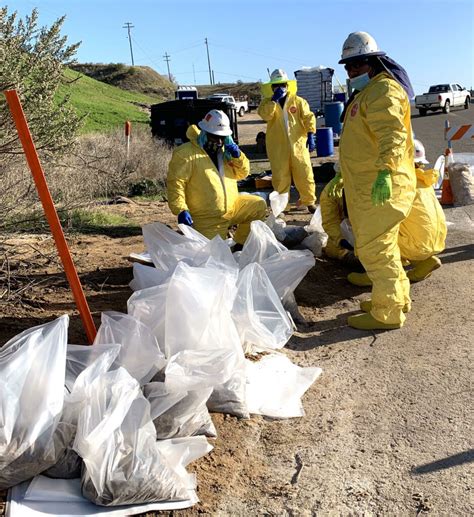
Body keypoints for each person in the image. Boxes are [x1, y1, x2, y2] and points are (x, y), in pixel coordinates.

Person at [327, 31, 417, 330]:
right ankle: (393, 298)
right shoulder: (369, 92)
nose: (352, 71)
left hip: (381, 186)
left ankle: (387, 313)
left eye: (358, 64)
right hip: (369, 187)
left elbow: (392, 134)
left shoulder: (383, 91)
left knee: (375, 250)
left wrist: (385, 172)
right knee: (385, 248)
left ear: (374, 62)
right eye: (348, 66)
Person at [167, 109, 267, 244]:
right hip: (207, 218)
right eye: (215, 136)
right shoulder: (185, 154)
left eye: (223, 137)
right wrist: (181, 210)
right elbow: (176, 184)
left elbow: (242, 173)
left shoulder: (226, 152)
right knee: (212, 256)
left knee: (258, 205)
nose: (219, 141)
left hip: (232, 208)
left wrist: (238, 157)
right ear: (204, 133)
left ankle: (240, 244)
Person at [258, 69, 317, 213]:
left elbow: (309, 117)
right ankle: (281, 206)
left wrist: (311, 133)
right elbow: (266, 116)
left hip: (298, 146)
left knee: (304, 174)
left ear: (287, 85)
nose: (280, 88)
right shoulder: (267, 103)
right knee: (280, 177)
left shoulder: (298, 101)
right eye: (276, 85)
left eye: (282, 84)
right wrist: (273, 101)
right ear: (272, 87)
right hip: (278, 148)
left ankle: (309, 202)